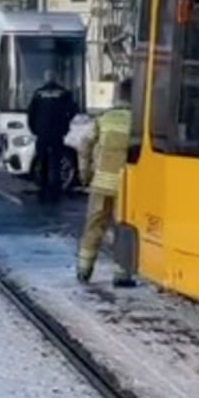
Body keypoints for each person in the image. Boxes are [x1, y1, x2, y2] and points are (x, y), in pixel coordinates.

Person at [76, 78, 135, 286]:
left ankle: (84, 269)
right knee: (123, 229)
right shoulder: (137, 122)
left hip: (101, 183)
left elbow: (84, 145)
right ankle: (121, 274)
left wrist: (85, 172)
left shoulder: (104, 119)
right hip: (126, 186)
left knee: (94, 225)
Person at [26, 69, 78, 203]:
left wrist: (34, 129)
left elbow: (31, 113)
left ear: (45, 79)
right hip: (57, 132)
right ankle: (56, 187)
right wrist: (65, 124)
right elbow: (73, 110)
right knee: (56, 160)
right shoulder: (64, 93)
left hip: (42, 132)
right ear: (56, 79)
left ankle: (42, 185)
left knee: (42, 159)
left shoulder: (38, 93)